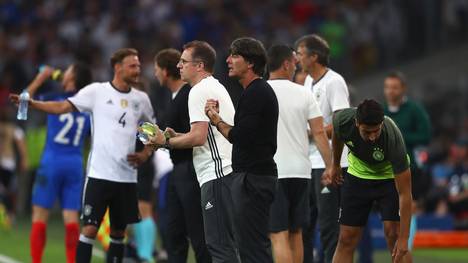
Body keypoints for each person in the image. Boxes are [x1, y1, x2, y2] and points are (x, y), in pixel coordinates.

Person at [10, 48, 156, 263]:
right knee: (81, 224)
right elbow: (69, 112)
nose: (137, 69)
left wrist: (145, 152)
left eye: (138, 66)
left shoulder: (137, 99)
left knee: (114, 232)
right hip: (87, 168)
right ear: (118, 67)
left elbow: (149, 129)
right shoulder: (93, 98)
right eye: (132, 65)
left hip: (105, 172)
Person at [149, 41, 236, 263]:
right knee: (223, 244)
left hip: (216, 175)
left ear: (199, 65)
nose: (179, 65)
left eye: (184, 62)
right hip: (225, 173)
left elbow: (198, 137)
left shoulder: (198, 90)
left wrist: (165, 142)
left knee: (218, 247)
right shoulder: (213, 86)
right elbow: (206, 135)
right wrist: (173, 136)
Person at [205, 37, 279, 263]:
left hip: (253, 179)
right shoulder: (254, 92)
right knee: (251, 245)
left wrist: (216, 120)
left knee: (253, 248)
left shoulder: (256, 92)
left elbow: (239, 136)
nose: (228, 60)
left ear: (250, 63)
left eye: (234, 55)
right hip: (254, 177)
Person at [266, 44, 332, 263]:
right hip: (301, 173)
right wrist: (331, 165)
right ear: (285, 64)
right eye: (294, 61)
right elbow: (320, 132)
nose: (296, 65)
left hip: (273, 172)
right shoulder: (305, 93)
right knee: (296, 233)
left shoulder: (260, 92)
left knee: (278, 234)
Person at [23, 63, 92, 263]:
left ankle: (36, 261)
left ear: (72, 78)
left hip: (52, 161)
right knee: (71, 218)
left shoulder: (54, 97)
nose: (63, 72)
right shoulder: (87, 105)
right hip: (75, 163)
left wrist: (42, 77)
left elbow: (24, 100)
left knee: (40, 215)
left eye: (68, 70)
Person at [330, 99, 412, 263]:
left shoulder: (393, 138)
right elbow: (337, 135)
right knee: (346, 238)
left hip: (388, 179)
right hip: (357, 176)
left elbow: (405, 194)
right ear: (356, 123)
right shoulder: (342, 120)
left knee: (393, 235)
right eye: (367, 132)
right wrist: (336, 164)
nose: (373, 136)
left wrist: (404, 239)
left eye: (376, 130)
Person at [153, 48, 211, 263]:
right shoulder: (176, 96)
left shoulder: (189, 95)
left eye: (157, 69)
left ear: (165, 72)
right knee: (173, 231)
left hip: (191, 169)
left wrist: (166, 141)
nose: (155, 74)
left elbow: (196, 135)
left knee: (198, 232)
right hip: (177, 169)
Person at [295, 34, 350, 263]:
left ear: (314, 56)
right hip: (310, 162)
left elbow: (342, 123)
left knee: (328, 227)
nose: (297, 58)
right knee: (305, 225)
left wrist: (312, 132)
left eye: (300, 53)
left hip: (330, 163)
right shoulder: (308, 81)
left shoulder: (334, 82)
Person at [383, 71, 431, 250]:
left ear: (403, 89)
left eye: (395, 87)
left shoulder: (414, 110)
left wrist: (399, 136)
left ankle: (406, 249)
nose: (390, 91)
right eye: (388, 87)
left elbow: (426, 135)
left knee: (409, 208)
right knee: (389, 215)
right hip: (386, 170)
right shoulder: (381, 110)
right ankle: (397, 250)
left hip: (410, 168)